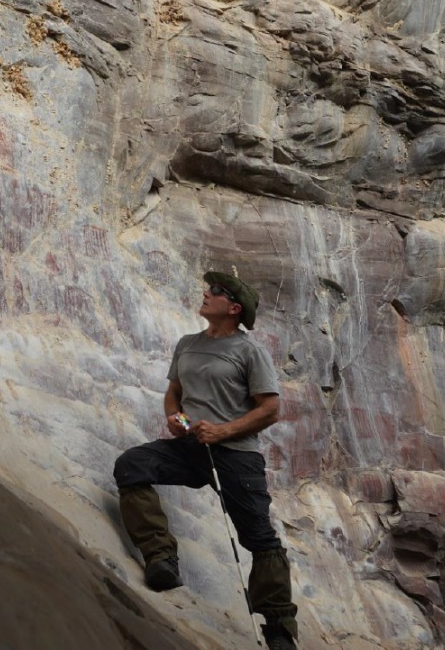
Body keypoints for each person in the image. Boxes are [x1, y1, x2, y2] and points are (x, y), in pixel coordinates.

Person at [112, 271, 299, 649]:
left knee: (259, 538)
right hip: (192, 447)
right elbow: (174, 393)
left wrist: (223, 431)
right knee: (132, 465)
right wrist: (176, 419)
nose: (205, 293)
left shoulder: (249, 351)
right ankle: (161, 560)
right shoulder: (187, 344)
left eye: (215, 291)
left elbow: (270, 409)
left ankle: (279, 628)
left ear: (233, 308)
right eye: (208, 288)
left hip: (236, 456)